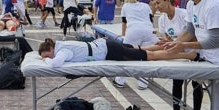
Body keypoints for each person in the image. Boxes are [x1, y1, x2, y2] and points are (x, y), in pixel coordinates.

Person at [153, 0, 205, 110]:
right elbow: (170, 39)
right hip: (180, 54)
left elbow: (194, 34)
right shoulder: (162, 20)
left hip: (195, 51)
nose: (156, 7)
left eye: (158, 3)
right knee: (177, 81)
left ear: (167, 0)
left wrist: (180, 44)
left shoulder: (183, 14)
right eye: (155, 4)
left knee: (196, 84)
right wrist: (167, 42)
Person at [38, 37, 198, 67]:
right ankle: (177, 47)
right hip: (106, 44)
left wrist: (46, 61)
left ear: (50, 49)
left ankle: (188, 54)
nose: (50, 57)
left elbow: (56, 64)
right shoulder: (61, 44)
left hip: (110, 51)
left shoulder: (62, 51)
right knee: (142, 49)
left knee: (151, 57)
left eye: (48, 55)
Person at [113, 0, 157, 90]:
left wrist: (123, 34)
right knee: (145, 56)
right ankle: (143, 84)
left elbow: (124, 22)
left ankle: (119, 81)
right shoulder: (145, 6)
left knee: (126, 55)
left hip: (134, 31)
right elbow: (150, 20)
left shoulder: (126, 6)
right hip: (149, 31)